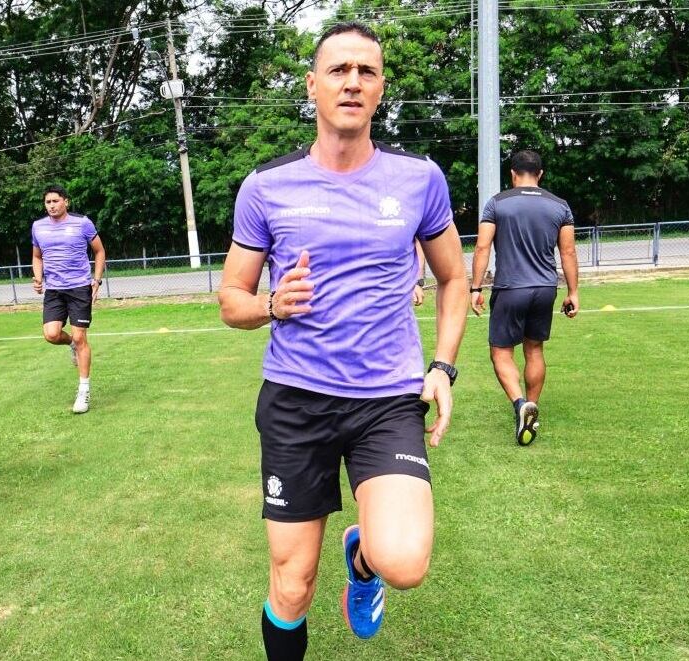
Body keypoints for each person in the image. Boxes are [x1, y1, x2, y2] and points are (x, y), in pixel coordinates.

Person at [218, 22, 468, 660]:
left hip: (386, 401)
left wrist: (442, 366)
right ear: (312, 86)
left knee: (404, 562)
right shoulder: (266, 186)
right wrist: (272, 304)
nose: (353, 81)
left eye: (367, 71)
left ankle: (363, 562)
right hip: (297, 401)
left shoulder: (418, 179)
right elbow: (231, 299)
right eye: (338, 70)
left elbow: (453, 276)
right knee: (293, 582)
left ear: (381, 90)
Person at [470, 149, 579, 445]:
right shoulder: (560, 206)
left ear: (513, 174)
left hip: (510, 288)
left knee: (501, 352)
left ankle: (520, 405)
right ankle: (533, 407)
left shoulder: (497, 204)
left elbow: (482, 248)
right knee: (534, 350)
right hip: (545, 288)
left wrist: (476, 288)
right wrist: (573, 292)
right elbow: (567, 251)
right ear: (540, 174)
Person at [31, 185, 106, 414]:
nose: (52, 205)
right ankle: (71, 343)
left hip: (79, 287)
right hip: (54, 290)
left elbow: (99, 251)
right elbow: (36, 256)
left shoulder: (82, 223)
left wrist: (97, 280)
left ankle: (83, 390)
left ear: (66, 201)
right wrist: (37, 277)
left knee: (81, 336)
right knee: (51, 335)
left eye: (55, 201)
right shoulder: (38, 227)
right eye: (48, 202)